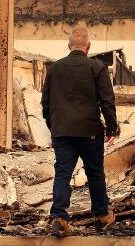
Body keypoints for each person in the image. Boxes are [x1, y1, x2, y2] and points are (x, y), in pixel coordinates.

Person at [40, 27, 119, 237]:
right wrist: (112, 127)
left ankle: (59, 217)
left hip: (62, 132)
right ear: (88, 46)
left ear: (68, 46)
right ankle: (102, 217)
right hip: (90, 131)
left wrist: (54, 126)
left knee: (63, 174)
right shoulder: (98, 67)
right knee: (94, 174)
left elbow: (45, 103)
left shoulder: (55, 68)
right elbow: (107, 101)